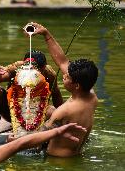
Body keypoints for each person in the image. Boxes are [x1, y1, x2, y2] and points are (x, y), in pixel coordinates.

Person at [29, 22, 99, 157]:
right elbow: (62, 61)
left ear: (77, 85)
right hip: (76, 154)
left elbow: (36, 141)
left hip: (55, 159)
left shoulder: (64, 111)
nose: (64, 75)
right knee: (48, 109)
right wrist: (46, 34)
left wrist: (13, 139)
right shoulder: (91, 96)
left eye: (67, 77)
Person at [0, 50, 63, 129]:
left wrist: (63, 117)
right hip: (13, 111)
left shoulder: (50, 75)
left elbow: (56, 95)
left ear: (44, 67)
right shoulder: (17, 68)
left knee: (51, 111)